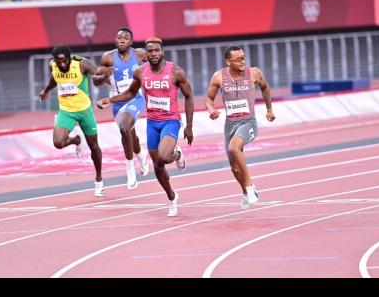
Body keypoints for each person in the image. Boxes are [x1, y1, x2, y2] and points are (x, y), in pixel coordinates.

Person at [97, 37, 194, 217]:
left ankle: (177, 154)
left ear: (162, 51)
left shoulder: (176, 72)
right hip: (152, 123)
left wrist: (189, 126)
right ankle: (172, 198)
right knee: (157, 166)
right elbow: (130, 93)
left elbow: (189, 97)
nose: (153, 54)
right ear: (146, 53)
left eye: (156, 50)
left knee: (164, 157)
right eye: (150, 51)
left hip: (171, 120)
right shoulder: (141, 72)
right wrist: (109, 100)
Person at [205, 45, 275, 210]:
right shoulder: (218, 77)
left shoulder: (254, 73)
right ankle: (245, 192)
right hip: (230, 125)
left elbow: (265, 88)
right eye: (238, 59)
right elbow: (209, 99)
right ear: (228, 61)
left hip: (248, 122)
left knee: (234, 148)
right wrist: (211, 109)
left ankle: (250, 187)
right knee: (234, 168)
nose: (243, 61)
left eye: (244, 57)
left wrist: (269, 109)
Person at [39, 45, 105, 197]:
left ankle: (99, 179)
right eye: (58, 61)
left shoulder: (82, 64)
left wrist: (106, 79)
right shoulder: (53, 65)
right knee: (58, 143)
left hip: (84, 111)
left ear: (69, 58)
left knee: (94, 146)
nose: (61, 64)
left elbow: (98, 74)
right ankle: (76, 140)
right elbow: (55, 79)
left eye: (64, 61)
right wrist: (46, 90)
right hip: (66, 111)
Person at [94, 28, 149, 190]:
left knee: (125, 128)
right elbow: (96, 81)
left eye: (125, 38)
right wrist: (103, 75)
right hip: (117, 102)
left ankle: (129, 167)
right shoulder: (107, 57)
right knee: (130, 134)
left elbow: (155, 65)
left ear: (131, 42)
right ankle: (140, 154)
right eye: (119, 38)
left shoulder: (139, 54)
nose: (121, 40)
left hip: (135, 98)